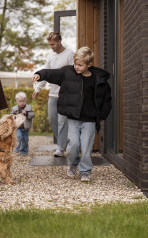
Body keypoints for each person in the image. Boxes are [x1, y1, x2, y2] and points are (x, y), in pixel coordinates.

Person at [32, 46, 112, 182]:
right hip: (73, 118)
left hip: (90, 120)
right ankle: (73, 164)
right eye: (75, 63)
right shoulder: (68, 73)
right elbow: (53, 73)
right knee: (73, 145)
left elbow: (106, 99)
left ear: (89, 65)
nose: (76, 67)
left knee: (86, 146)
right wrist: (40, 74)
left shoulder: (98, 79)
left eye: (80, 65)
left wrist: (102, 114)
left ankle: (85, 170)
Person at [32, 32, 74, 157]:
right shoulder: (51, 57)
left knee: (62, 122)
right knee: (52, 120)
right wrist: (38, 88)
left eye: (53, 44)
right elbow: (46, 74)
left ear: (59, 41)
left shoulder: (69, 54)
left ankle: (60, 148)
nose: (51, 47)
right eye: (50, 44)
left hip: (64, 95)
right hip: (53, 94)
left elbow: (73, 75)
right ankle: (65, 142)